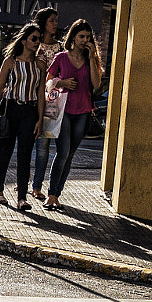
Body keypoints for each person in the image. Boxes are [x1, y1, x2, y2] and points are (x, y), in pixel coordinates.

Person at [42, 18, 104, 211]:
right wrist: (62, 83)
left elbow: (96, 85)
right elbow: (48, 81)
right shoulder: (61, 57)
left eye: (88, 37)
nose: (85, 40)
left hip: (83, 112)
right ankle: (51, 194)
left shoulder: (90, 60)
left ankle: (57, 195)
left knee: (70, 155)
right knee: (63, 152)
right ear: (73, 38)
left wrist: (93, 57)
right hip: (63, 111)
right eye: (81, 36)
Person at [0, 25, 45, 210]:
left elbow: (41, 93)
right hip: (11, 108)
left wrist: (40, 119)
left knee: (25, 154)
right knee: (5, 151)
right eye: (34, 39)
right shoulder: (10, 61)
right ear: (24, 41)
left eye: (38, 39)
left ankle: (22, 198)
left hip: (30, 111)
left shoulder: (40, 64)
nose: (37, 43)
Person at [29, 7, 61, 200]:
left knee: (44, 147)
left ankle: (37, 186)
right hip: (32, 99)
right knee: (28, 144)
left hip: (51, 104)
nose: (55, 24)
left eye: (56, 20)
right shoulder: (35, 45)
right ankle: (23, 181)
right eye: (52, 20)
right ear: (43, 23)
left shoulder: (60, 49)